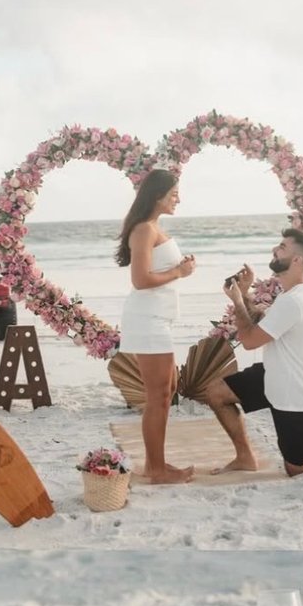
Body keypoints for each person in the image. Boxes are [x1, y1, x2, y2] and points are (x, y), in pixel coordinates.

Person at [203, 228, 303, 476]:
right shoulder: (291, 294)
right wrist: (247, 293)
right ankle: (245, 457)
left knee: (297, 467)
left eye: (282, 247)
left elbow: (249, 341)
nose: (275, 249)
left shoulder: (294, 300)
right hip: (274, 376)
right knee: (217, 393)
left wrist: (238, 301)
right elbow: (262, 323)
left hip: (295, 392)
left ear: (297, 260)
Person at [116, 168, 196, 484]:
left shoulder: (153, 228)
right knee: (159, 396)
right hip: (147, 320)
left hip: (158, 318)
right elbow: (140, 280)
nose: (178, 198)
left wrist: (180, 268)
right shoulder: (144, 230)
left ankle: (156, 464)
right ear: (158, 196)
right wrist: (179, 272)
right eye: (174, 193)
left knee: (167, 390)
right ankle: (156, 468)